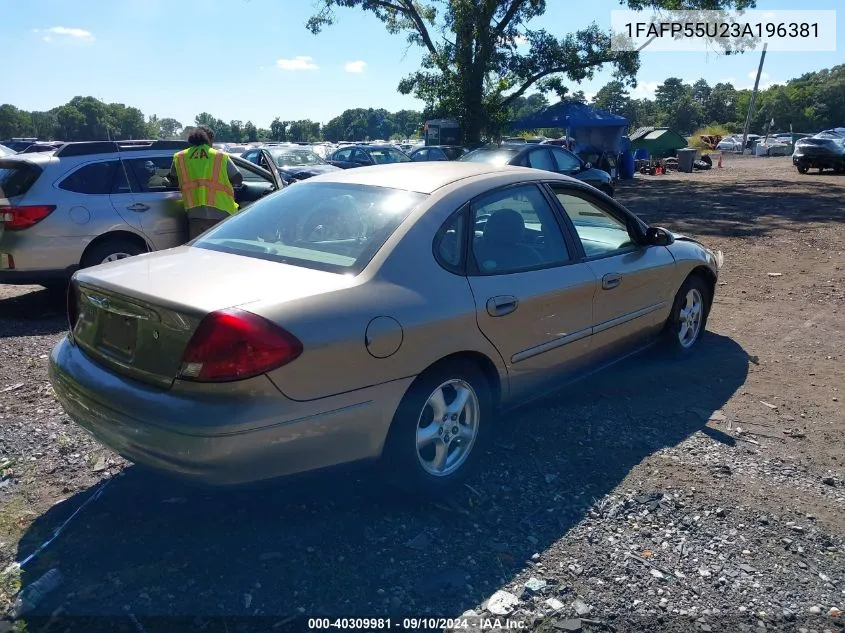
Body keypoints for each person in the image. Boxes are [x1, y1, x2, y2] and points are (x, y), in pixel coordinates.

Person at [167, 126, 244, 240]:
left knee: (200, 251)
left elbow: (173, 180)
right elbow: (238, 178)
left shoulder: (180, 157)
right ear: (210, 140)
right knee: (222, 251)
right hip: (222, 211)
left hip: (195, 213)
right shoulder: (219, 156)